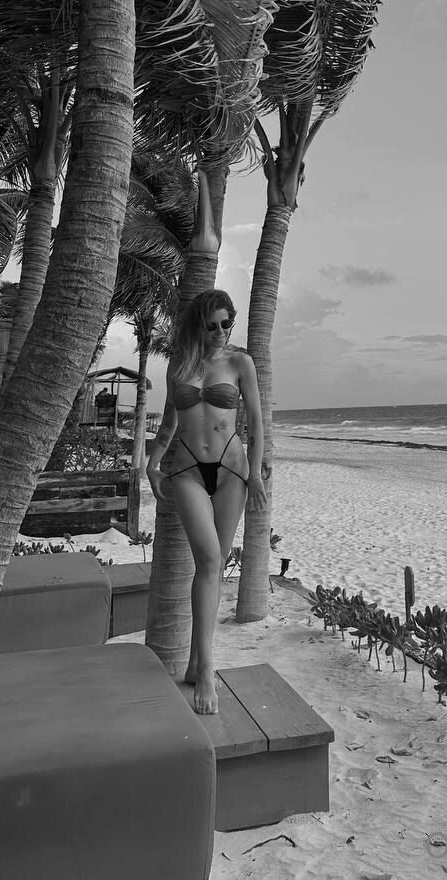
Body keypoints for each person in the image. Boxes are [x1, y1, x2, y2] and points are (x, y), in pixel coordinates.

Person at [145, 289, 267, 714]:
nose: (219, 331)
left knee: (212, 567)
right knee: (210, 561)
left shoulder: (240, 363)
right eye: (212, 325)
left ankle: (198, 663)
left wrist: (255, 474)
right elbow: (169, 423)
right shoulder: (180, 365)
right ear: (199, 325)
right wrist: (151, 462)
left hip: (232, 472)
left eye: (225, 324)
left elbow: (256, 423)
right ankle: (209, 669)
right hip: (186, 471)